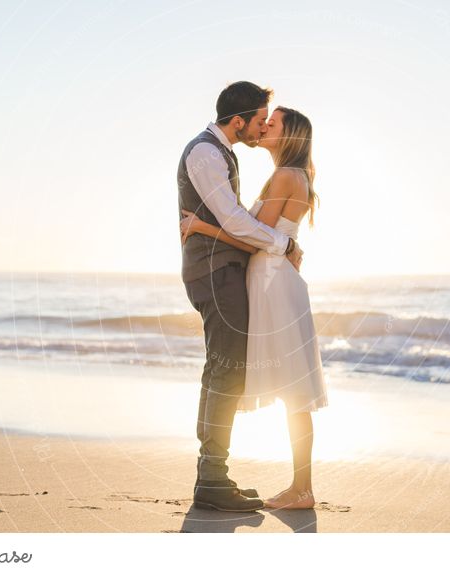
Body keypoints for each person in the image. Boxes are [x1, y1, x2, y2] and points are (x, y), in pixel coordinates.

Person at [181, 106, 327, 510]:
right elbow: (260, 233)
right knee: (292, 388)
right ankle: (301, 487)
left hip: (272, 281)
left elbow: (252, 238)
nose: (265, 127)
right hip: (271, 278)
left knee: (294, 389)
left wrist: (201, 226)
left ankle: (302, 490)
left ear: (290, 135)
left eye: (273, 123)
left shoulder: (285, 176)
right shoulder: (295, 176)